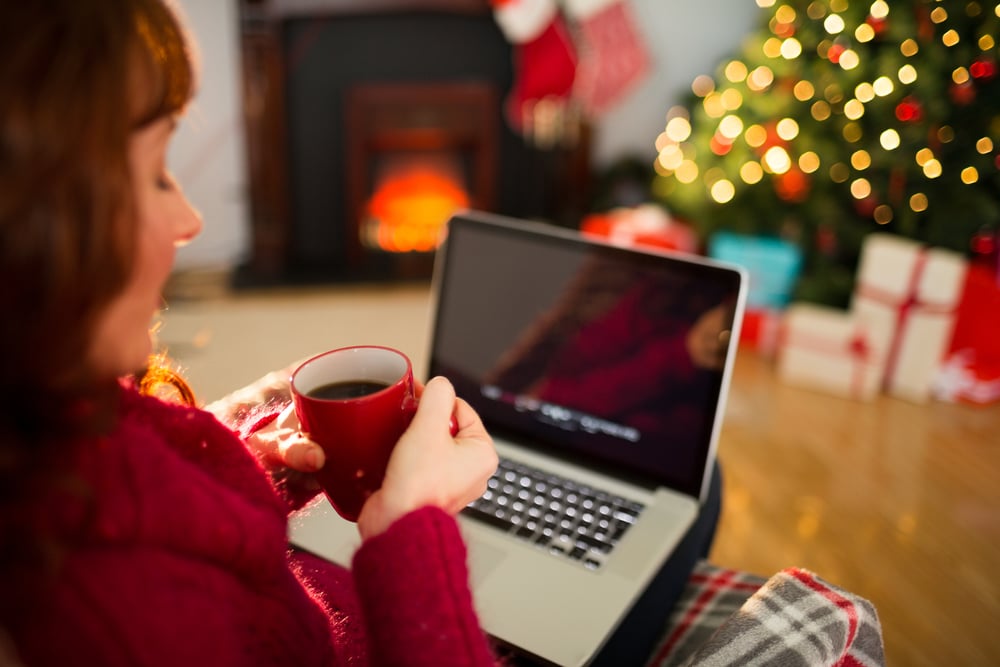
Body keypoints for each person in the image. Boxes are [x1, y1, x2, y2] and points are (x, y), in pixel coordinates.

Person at [0, 2, 499, 664]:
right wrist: (412, 531)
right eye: (153, 172)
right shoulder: (115, 619)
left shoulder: (50, 408)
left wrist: (246, 463)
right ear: (32, 222)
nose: (190, 220)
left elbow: (145, 491)